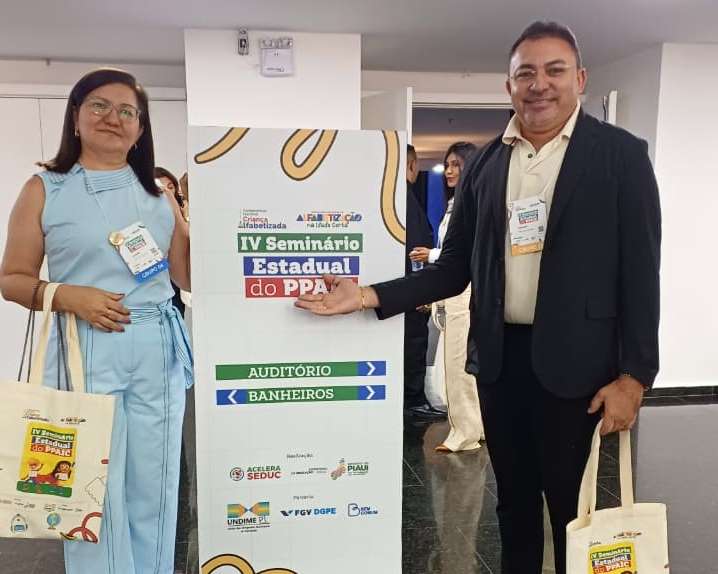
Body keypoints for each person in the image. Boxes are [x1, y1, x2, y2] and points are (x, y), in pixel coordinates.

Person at [295, 21, 660, 574]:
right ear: (508, 85)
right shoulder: (486, 165)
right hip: (499, 362)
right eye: (525, 73)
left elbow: (642, 271)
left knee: (573, 510)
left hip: (580, 368)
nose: (539, 84)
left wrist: (634, 376)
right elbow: (452, 269)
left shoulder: (621, 156)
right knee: (513, 504)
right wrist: (366, 294)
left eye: (555, 70)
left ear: (580, 78)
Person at [0, 68, 193, 574]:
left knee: (155, 483)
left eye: (128, 111)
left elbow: (185, 274)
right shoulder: (45, 188)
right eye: (99, 106)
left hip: (155, 345)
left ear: (141, 128)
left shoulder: (158, 195)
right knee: (91, 487)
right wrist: (69, 295)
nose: (114, 117)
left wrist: (213, 222)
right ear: (76, 117)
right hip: (83, 345)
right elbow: (13, 280)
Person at [410, 141, 485, 452]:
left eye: (457, 165)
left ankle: (466, 431)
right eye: (448, 165)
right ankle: (469, 427)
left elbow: (472, 253)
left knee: (460, 366)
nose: (450, 171)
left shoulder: (476, 203)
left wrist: (432, 255)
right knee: (455, 366)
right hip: (452, 293)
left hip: (465, 294)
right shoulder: (456, 203)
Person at [403, 144, 443, 419]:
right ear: (412, 165)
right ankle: (413, 399)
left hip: (401, 288)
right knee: (415, 342)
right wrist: (421, 289)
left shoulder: (391, 199)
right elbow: (416, 248)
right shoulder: (406, 199)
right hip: (411, 290)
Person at [155, 166, 188, 316]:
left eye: (170, 187)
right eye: (161, 187)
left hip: (178, 278)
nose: (167, 192)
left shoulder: (184, 211)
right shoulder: (145, 215)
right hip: (154, 278)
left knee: (176, 314)